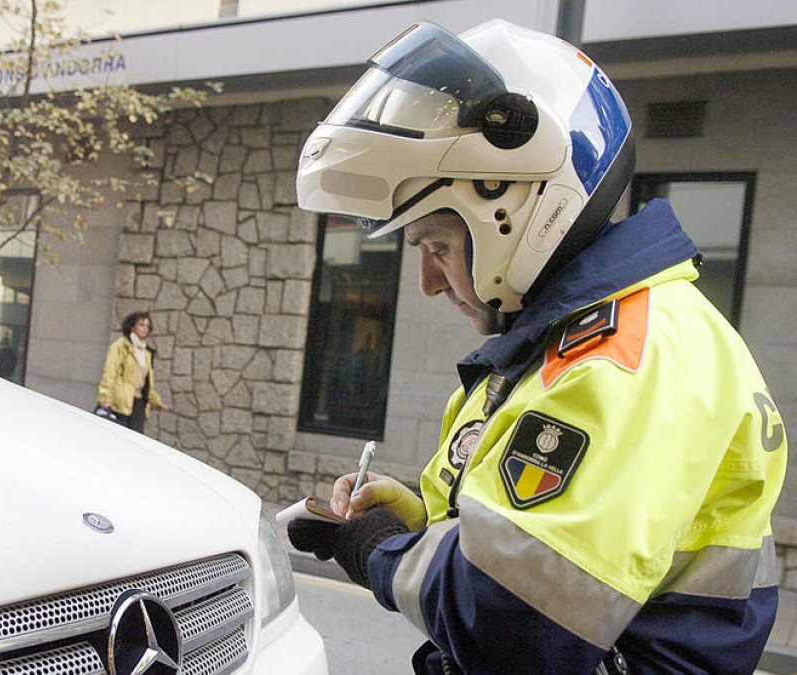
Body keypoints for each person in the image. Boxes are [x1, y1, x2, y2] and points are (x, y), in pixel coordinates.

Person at [288, 19, 787, 675]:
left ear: (513, 213)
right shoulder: (562, 347)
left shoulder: (622, 360)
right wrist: (418, 519)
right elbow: (525, 538)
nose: (429, 282)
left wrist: (379, 549)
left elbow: (514, 621)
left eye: (438, 247)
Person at [96, 311, 169, 433]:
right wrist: (105, 397)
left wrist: (157, 402)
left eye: (148, 326)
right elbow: (109, 373)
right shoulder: (120, 346)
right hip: (119, 402)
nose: (145, 328)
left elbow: (146, 383)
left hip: (138, 404)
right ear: (132, 326)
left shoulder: (146, 353)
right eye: (141, 324)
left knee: (135, 438)